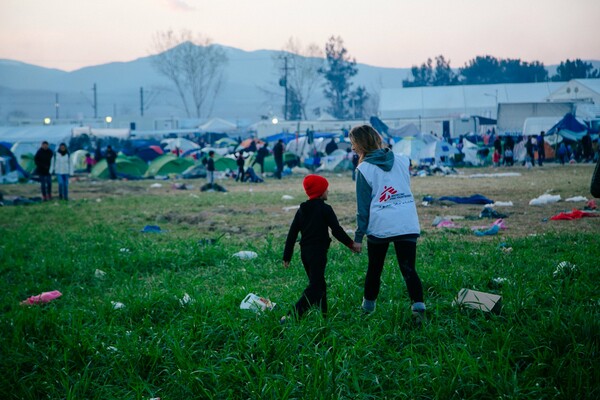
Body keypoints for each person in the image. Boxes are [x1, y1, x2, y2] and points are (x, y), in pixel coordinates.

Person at [349, 125, 425, 321]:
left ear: (360, 144)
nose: (352, 148)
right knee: (408, 269)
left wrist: (358, 237)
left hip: (380, 224)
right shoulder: (402, 160)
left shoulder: (364, 169)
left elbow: (363, 208)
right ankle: (419, 309)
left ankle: (367, 310)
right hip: (406, 221)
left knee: (375, 268)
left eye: (353, 144)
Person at [282, 174, 356, 322]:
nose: (328, 191)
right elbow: (336, 230)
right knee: (315, 288)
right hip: (318, 253)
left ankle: (324, 316)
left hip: (305, 253)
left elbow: (292, 234)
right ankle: (292, 316)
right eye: (326, 188)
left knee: (320, 285)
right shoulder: (325, 209)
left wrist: (287, 256)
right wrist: (351, 244)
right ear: (320, 191)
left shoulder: (302, 210)